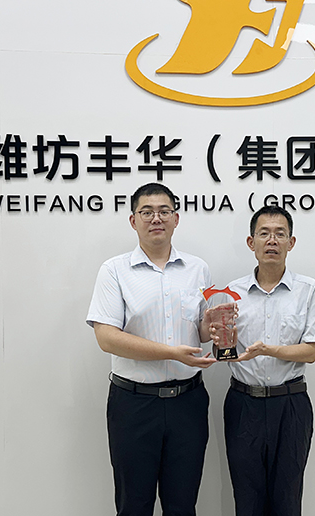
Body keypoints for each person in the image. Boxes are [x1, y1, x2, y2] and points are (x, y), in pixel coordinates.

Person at [86, 182, 217, 516]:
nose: (156, 218)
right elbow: (107, 337)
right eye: (146, 212)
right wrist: (171, 352)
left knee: (182, 505)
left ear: (176, 218)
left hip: (188, 402)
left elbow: (200, 331)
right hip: (134, 405)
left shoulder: (197, 268)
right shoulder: (114, 271)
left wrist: (213, 326)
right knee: (134, 505)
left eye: (164, 211)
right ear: (133, 220)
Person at [211, 205, 315, 516]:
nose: (272, 241)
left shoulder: (308, 290)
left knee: (287, 499)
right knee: (247, 498)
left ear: (291, 243)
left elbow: (311, 352)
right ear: (251, 242)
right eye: (264, 233)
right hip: (243, 405)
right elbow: (224, 351)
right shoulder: (232, 292)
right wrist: (219, 341)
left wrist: (268, 350)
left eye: (280, 234)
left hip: (290, 405)